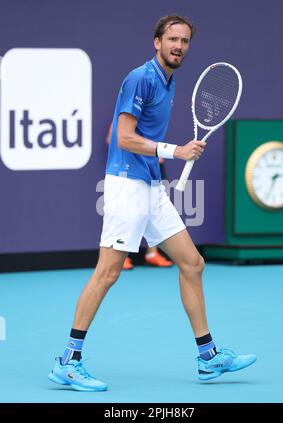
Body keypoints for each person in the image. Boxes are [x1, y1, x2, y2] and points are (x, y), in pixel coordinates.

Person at [48, 14, 256, 392]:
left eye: (185, 41)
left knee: (192, 263)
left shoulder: (169, 80)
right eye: (172, 39)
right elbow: (123, 137)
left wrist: (166, 158)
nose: (179, 46)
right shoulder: (140, 78)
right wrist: (174, 150)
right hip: (127, 186)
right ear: (156, 42)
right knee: (108, 272)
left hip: (150, 185)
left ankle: (208, 358)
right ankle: (68, 360)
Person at [106, 122, 173, 269]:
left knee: (154, 211)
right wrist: (138, 151)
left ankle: (152, 254)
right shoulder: (126, 115)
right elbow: (112, 139)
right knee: (127, 212)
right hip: (132, 169)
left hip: (154, 167)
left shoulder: (154, 117)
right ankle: (121, 256)